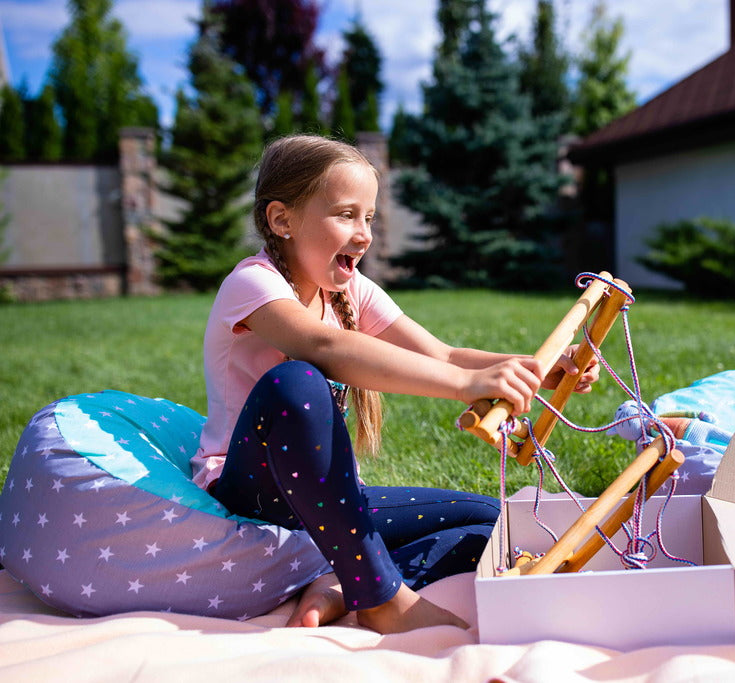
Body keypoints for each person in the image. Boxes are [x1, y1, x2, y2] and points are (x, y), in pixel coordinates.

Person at [190, 134, 599, 634]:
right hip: (254, 496)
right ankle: (381, 597)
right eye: (345, 214)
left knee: (493, 523)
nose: (363, 233)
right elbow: (323, 348)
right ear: (283, 220)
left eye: (368, 217)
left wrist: (539, 368)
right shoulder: (252, 284)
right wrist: (466, 384)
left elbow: (443, 354)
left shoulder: (351, 289)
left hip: (325, 504)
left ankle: (341, 584)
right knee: (294, 382)